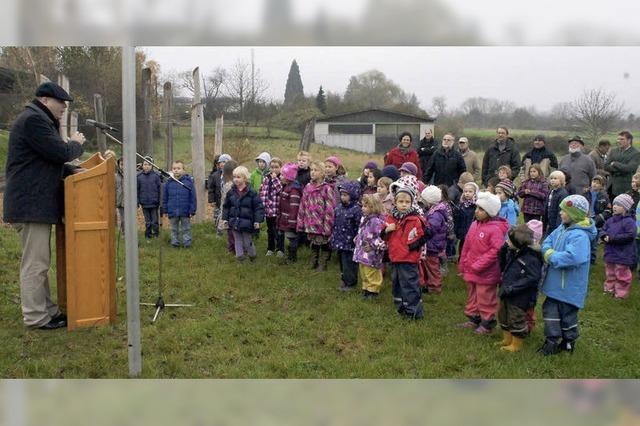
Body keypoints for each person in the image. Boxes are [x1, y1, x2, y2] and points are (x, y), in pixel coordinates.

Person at [3, 81, 86, 330]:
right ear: (46, 100)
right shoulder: (33, 120)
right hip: (30, 205)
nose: (64, 107)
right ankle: (35, 317)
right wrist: (76, 143)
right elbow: (60, 152)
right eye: (61, 103)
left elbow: (47, 162)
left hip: (33, 204)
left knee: (40, 263)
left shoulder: (36, 119)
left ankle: (47, 311)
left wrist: (74, 170)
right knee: (35, 264)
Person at [539, 194, 597, 355]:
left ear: (575, 214)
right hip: (554, 284)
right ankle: (551, 341)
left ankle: (568, 341)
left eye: (564, 211)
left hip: (569, 287)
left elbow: (573, 257)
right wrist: (548, 251)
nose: (560, 213)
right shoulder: (562, 228)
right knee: (550, 312)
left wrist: (551, 256)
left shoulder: (580, 236)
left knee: (567, 316)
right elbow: (547, 242)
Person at [458, 191, 509, 334]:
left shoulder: (495, 229)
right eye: (477, 208)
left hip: (486, 272)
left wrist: (479, 264)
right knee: (473, 295)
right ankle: (474, 318)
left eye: (481, 209)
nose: (477, 211)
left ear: (490, 212)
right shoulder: (474, 224)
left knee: (485, 296)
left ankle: (487, 322)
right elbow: (467, 245)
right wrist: (463, 263)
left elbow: (495, 251)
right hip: (472, 268)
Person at [496, 224, 543, 352]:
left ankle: (516, 344)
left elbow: (532, 278)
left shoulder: (531, 258)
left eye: (509, 240)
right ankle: (507, 339)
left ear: (518, 243)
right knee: (503, 315)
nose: (507, 242)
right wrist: (503, 249)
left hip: (520, 296)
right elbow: (502, 264)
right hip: (507, 290)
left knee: (516, 318)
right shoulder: (513, 252)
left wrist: (513, 288)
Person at [383, 185, 426, 320]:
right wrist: (386, 231)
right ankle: (400, 307)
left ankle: (413, 311)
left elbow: (421, 236)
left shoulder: (415, 219)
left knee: (410, 285)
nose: (404, 205)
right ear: (395, 202)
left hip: (408, 258)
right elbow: (384, 236)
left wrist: (411, 247)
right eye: (401, 202)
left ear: (412, 203)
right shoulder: (390, 218)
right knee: (397, 284)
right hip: (395, 257)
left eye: (407, 202)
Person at [297, 160, 336, 271]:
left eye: (316, 170)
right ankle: (313, 261)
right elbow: (303, 205)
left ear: (322, 173)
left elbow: (329, 209)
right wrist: (301, 221)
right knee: (313, 243)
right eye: (311, 170)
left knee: (323, 243)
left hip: (322, 223)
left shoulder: (326, 188)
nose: (312, 173)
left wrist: (327, 226)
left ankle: (322, 264)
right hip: (310, 221)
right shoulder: (308, 187)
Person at [222, 165, 265, 262]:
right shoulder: (231, 192)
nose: (235, 179)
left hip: (247, 222)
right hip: (234, 221)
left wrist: (257, 221)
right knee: (237, 240)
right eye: (234, 177)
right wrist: (225, 218)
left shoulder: (252, 193)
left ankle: (252, 255)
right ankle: (240, 257)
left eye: (238, 177)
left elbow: (258, 207)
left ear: (245, 178)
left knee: (247, 241)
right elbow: (226, 206)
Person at [601, 194, 636, 299]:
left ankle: (620, 294)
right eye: (614, 204)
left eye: (618, 204)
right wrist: (603, 236)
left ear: (625, 208)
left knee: (622, 274)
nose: (615, 206)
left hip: (623, 253)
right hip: (610, 252)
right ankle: (609, 289)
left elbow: (630, 236)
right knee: (610, 272)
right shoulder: (610, 220)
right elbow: (603, 229)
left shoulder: (629, 221)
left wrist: (612, 238)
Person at [353, 194, 387, 299]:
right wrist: (358, 237)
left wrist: (372, 246)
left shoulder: (376, 221)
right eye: (362, 206)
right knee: (364, 272)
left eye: (365, 206)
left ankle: (373, 291)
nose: (362, 208)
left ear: (373, 207)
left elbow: (379, 237)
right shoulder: (365, 219)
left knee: (372, 272)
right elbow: (363, 232)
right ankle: (366, 289)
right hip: (362, 251)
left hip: (371, 253)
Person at [331, 181, 362, 292]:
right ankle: (344, 279)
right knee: (342, 262)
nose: (342, 197)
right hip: (339, 240)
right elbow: (334, 223)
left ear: (353, 195)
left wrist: (357, 239)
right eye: (342, 195)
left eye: (345, 195)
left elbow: (359, 226)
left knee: (349, 263)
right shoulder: (339, 208)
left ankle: (351, 283)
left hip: (350, 243)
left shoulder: (356, 210)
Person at [419, 186, 448, 294]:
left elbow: (431, 229)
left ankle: (435, 287)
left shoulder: (436, 215)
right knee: (427, 266)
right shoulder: (434, 211)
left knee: (432, 268)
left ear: (429, 201)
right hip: (432, 244)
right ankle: (428, 284)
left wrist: (423, 228)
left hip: (433, 245)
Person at [162, 160, 197, 248]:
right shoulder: (168, 183)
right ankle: (175, 243)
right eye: (174, 168)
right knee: (174, 228)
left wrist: (192, 210)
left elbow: (193, 197)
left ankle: (187, 243)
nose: (176, 170)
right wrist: (165, 209)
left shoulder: (188, 182)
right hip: (172, 210)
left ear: (183, 170)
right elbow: (165, 197)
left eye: (178, 168)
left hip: (185, 210)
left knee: (186, 228)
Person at [276, 163, 303, 264]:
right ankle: (289, 257)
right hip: (285, 218)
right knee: (289, 238)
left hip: (290, 220)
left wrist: (292, 222)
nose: (280, 176)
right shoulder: (286, 187)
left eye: (282, 175)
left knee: (292, 239)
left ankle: (292, 258)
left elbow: (294, 207)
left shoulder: (294, 190)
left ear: (288, 177)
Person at [259, 157, 284, 257]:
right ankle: (270, 248)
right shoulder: (266, 177)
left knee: (278, 230)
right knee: (270, 230)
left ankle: (280, 249)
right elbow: (262, 191)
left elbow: (281, 191)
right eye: (272, 167)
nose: (274, 170)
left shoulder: (281, 178)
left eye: (276, 167)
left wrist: (274, 179)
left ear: (280, 168)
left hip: (277, 209)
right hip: (268, 210)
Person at [604, 131, 640, 198]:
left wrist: (615, 163)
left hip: (625, 188)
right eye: (618, 139)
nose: (619, 141)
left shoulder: (636, 153)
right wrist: (620, 168)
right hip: (611, 186)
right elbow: (606, 166)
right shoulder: (613, 151)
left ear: (629, 140)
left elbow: (629, 168)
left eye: (622, 139)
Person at [137, 156, 161, 240]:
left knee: (154, 221)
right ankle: (148, 235)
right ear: (142, 165)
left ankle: (156, 234)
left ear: (152, 166)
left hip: (154, 203)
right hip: (144, 203)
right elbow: (137, 190)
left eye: (149, 165)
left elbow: (159, 189)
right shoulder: (139, 177)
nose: (146, 166)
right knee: (148, 222)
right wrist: (137, 201)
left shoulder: (156, 176)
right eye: (145, 164)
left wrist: (160, 201)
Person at [207, 153, 231, 232]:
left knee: (227, 216)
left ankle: (228, 231)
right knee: (217, 216)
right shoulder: (215, 175)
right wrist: (211, 200)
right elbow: (211, 189)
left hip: (229, 202)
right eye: (220, 162)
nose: (222, 164)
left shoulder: (232, 175)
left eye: (224, 162)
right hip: (218, 201)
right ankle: (218, 231)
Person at [218, 160, 238, 253]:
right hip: (232, 212)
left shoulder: (227, 185)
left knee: (231, 233)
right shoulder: (231, 186)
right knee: (233, 232)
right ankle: (234, 248)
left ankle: (232, 248)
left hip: (229, 212)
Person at [454, 181, 478, 257]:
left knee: (470, 248)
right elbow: (458, 219)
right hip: (462, 230)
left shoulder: (476, 206)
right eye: (465, 191)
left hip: (471, 231)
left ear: (475, 193)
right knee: (462, 246)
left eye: (470, 191)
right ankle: (461, 259)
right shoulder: (461, 204)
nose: (467, 193)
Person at [543, 170, 570, 235]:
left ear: (561, 180)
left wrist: (559, 226)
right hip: (549, 221)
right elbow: (547, 207)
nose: (552, 180)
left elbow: (561, 210)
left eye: (555, 178)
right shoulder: (551, 191)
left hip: (556, 223)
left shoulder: (563, 193)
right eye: (551, 178)